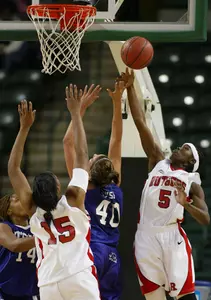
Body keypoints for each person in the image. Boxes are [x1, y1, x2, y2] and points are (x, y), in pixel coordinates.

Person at [119, 68, 210, 300]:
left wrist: (186, 204)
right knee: (154, 297)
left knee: (185, 296)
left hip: (172, 238)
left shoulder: (192, 182)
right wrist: (130, 88)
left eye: (185, 149)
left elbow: (206, 219)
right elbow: (140, 121)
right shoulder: (158, 160)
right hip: (145, 236)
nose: (179, 148)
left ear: (191, 162)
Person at [8, 89, 101, 300]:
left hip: (49, 284)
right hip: (78, 277)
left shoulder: (33, 210)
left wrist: (24, 129)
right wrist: (76, 113)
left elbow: (13, 169)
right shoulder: (75, 198)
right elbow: (81, 154)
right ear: (58, 188)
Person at [63, 81, 125, 300]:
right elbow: (116, 139)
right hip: (113, 257)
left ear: (89, 170)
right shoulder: (115, 186)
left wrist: (79, 111)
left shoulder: (84, 185)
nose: (89, 157)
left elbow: (68, 143)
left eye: (91, 158)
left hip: (93, 250)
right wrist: (118, 103)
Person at [0, 193, 39, 300]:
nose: (24, 202)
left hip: (29, 292)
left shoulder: (37, 229)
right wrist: (44, 237)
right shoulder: (4, 227)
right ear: (9, 210)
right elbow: (14, 245)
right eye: (18, 200)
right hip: (4, 290)